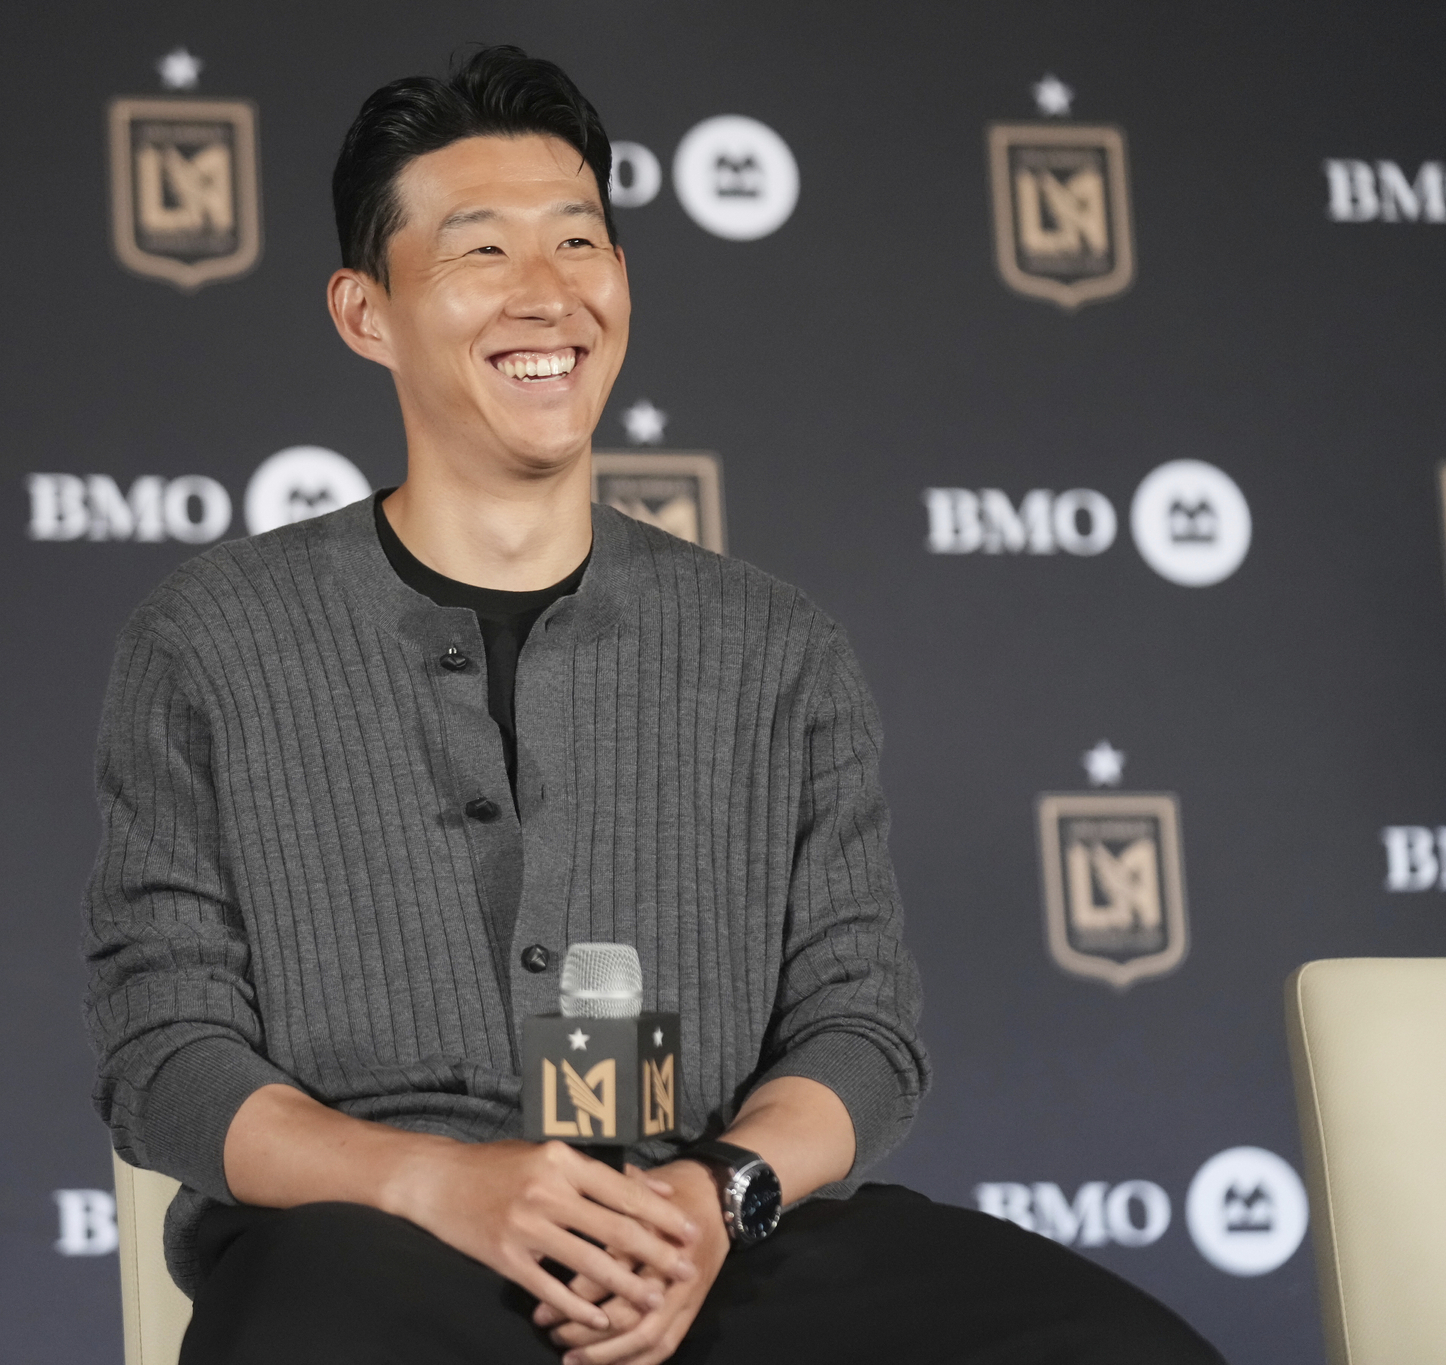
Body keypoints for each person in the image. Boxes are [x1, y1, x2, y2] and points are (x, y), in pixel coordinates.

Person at [83, 45, 1223, 1365]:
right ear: (367, 313)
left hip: (717, 1243)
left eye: (580, 243)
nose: (548, 294)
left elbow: (861, 1027)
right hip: (375, 1244)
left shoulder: (775, 647)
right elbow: (164, 1051)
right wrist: (443, 1185)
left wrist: (709, 1198)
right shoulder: (212, 639)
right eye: (482, 253)